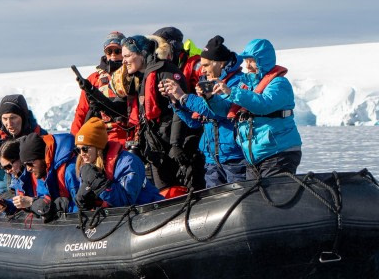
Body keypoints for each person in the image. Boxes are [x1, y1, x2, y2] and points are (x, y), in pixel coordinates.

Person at [115, 34, 203, 197]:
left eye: (127, 56)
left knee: (178, 191)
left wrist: (176, 144)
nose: (123, 61)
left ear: (141, 53)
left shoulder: (165, 72)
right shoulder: (145, 77)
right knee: (164, 193)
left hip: (173, 148)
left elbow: (178, 108)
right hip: (157, 148)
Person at [158, 35, 248, 188]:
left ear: (220, 63)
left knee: (240, 202)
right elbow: (195, 122)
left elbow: (219, 112)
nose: (202, 69)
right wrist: (175, 101)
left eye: (206, 65)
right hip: (211, 159)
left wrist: (183, 96)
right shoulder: (207, 84)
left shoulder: (239, 83)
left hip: (235, 158)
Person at [215, 38, 302, 179]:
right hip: (254, 157)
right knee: (255, 199)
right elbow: (226, 110)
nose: (247, 66)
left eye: (251, 61)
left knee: (273, 197)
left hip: (278, 153)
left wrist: (232, 92)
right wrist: (209, 98)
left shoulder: (279, 84)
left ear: (263, 60)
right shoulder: (246, 86)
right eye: (246, 61)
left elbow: (263, 104)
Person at [64, 117, 162, 210]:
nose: (81, 154)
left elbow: (126, 201)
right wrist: (86, 202)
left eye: (85, 149)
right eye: (78, 150)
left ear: (98, 148)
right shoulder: (87, 167)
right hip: (117, 219)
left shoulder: (128, 162)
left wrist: (100, 185)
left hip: (149, 210)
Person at [0, 93, 46, 201]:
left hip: (33, 190)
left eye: (13, 118)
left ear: (23, 116)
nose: (9, 123)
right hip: (2, 193)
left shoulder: (39, 135)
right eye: (5, 118)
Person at [70, 31, 131, 143]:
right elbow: (81, 112)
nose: (113, 54)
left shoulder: (131, 75)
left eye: (117, 51)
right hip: (100, 136)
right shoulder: (94, 79)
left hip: (126, 133)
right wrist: (73, 140)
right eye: (109, 51)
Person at [3, 131, 76, 219]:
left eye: (30, 164)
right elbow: (43, 199)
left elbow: (83, 206)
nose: (28, 169)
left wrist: (34, 203)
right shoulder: (43, 172)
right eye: (25, 165)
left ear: (43, 157)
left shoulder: (70, 171)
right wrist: (9, 205)